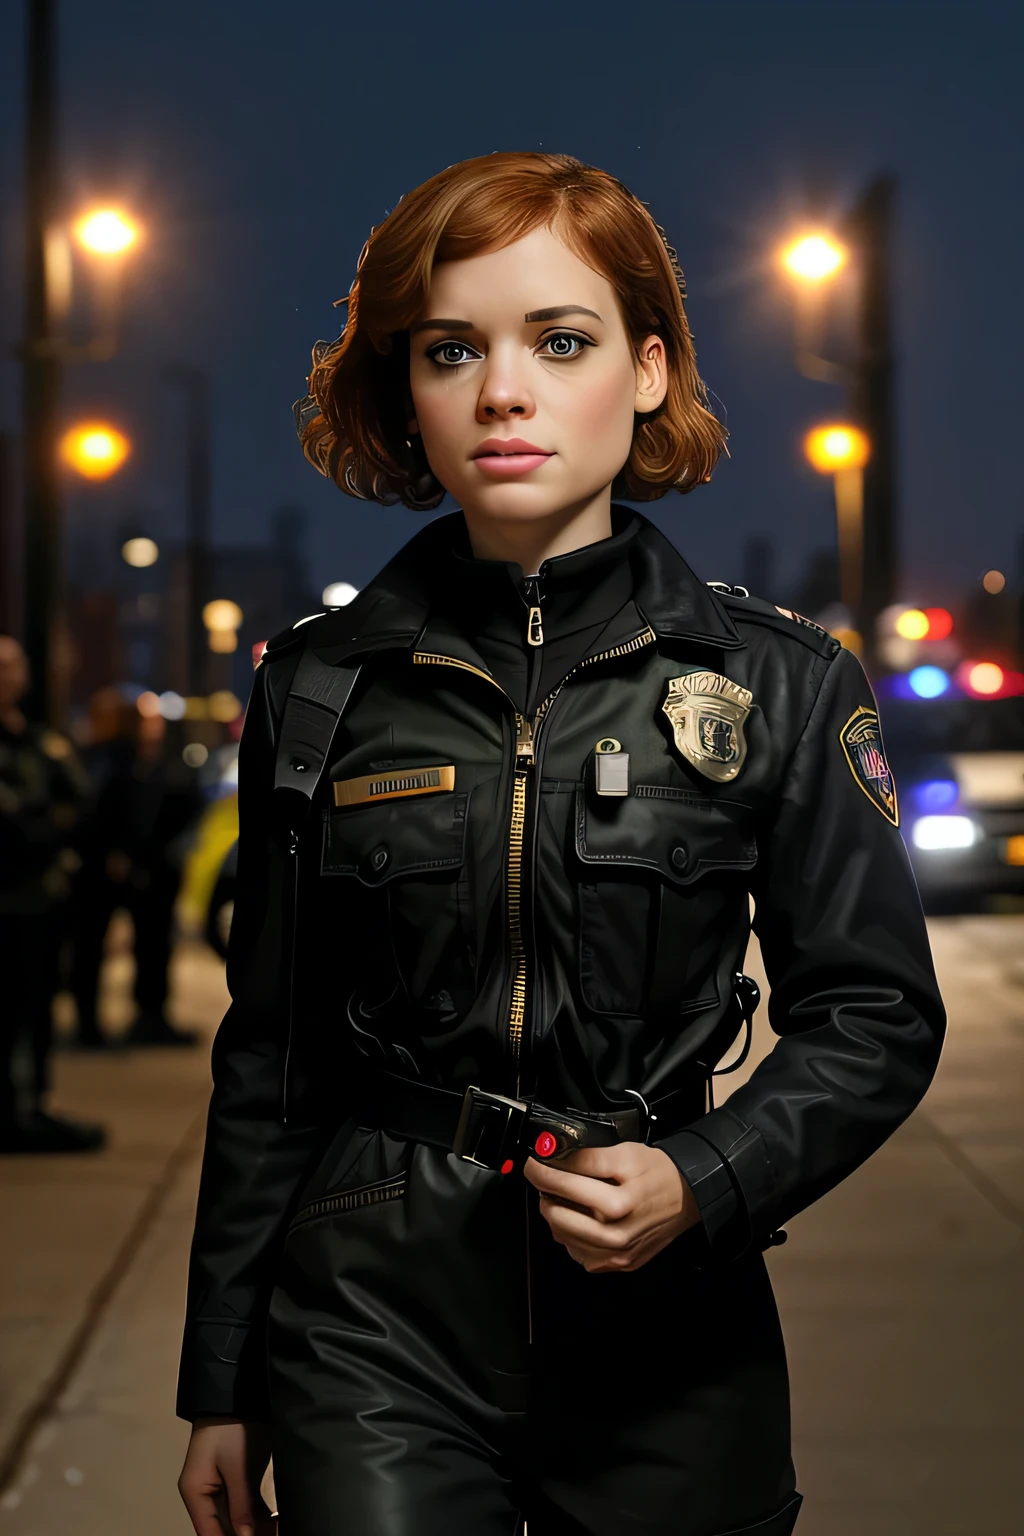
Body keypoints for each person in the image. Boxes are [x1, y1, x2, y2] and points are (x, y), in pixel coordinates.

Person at [176, 152, 945, 1536]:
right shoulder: (320, 686)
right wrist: (220, 1377)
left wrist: (705, 1179)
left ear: (648, 370)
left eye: (561, 340)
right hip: (372, 1320)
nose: (502, 392)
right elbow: (274, 1058)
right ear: (405, 393)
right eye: (449, 349)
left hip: (668, 1323)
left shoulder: (780, 684)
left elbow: (875, 1013)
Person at [0, 635, 106, 1153]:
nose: (10, 677)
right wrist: (42, 826)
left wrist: (42, 825)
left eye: (14, 667)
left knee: (39, 1004)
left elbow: (80, 805)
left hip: (39, 900)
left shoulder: (38, 740)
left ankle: (31, 1104)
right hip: (8, 898)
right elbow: (16, 827)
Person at [70, 704, 202, 1048]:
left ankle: (144, 1020)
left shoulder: (151, 762)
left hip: (144, 867)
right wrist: (118, 851)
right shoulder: (115, 762)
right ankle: (96, 1026)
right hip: (113, 868)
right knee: (103, 945)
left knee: (150, 944)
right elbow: (102, 811)